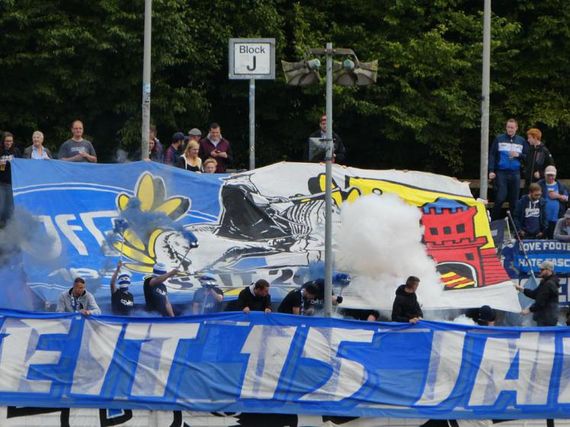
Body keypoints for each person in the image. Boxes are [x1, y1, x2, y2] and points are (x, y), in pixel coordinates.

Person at [488, 118, 528, 220]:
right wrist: (491, 170)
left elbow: (528, 156)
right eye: (508, 127)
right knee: (500, 198)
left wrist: (518, 155)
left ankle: (513, 225)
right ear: (506, 128)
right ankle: (493, 222)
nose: (510, 129)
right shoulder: (499, 139)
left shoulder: (521, 141)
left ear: (516, 128)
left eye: (512, 127)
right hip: (501, 172)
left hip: (515, 173)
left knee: (514, 201)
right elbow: (492, 155)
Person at [515, 260, 560, 326]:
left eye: (542, 270)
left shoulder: (549, 284)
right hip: (544, 317)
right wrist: (521, 289)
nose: (540, 271)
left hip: (547, 319)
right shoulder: (545, 282)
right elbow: (534, 294)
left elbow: (541, 301)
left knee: (544, 333)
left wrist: (529, 310)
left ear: (548, 270)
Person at [538, 165, 568, 238]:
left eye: (552, 175)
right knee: (541, 239)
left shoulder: (561, 186)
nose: (550, 177)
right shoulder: (539, 184)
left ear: (555, 175)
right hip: (542, 219)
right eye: (548, 175)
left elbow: (567, 198)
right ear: (545, 175)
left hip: (556, 219)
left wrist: (558, 196)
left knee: (554, 238)